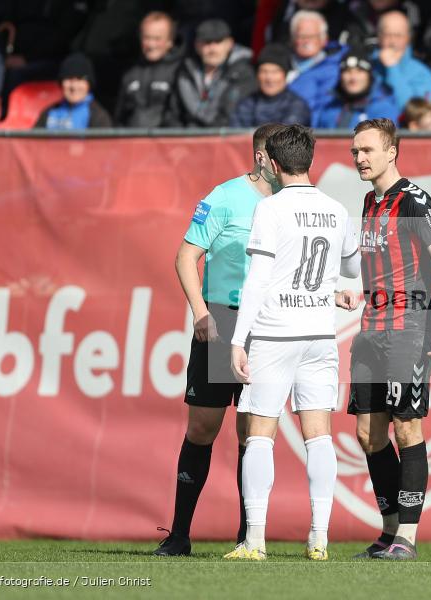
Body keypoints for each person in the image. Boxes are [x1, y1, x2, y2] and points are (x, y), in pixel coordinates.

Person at [225, 125, 361, 561]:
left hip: (274, 333)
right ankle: (319, 538)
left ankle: (255, 540)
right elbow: (353, 269)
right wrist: (330, 289)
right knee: (319, 436)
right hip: (320, 335)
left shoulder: (271, 208)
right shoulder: (336, 209)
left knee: (260, 435)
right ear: (311, 161)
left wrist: (238, 339)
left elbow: (260, 279)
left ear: (275, 164)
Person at [154, 123, 288, 557]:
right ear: (261, 156)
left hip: (268, 325)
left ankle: (250, 537)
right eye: (277, 155)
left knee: (254, 433)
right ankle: (179, 535)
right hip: (223, 320)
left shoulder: (296, 202)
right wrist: (201, 312)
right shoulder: (225, 197)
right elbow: (186, 256)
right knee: (203, 428)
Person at [348, 118, 431, 560]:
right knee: (368, 434)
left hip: (409, 328)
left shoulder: (414, 200)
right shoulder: (368, 203)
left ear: (392, 152)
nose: (359, 158)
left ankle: (407, 538)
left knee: (406, 425)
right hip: (370, 329)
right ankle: (388, 531)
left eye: (368, 150)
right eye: (355, 151)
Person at [164, 19, 256, 128]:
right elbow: (173, 113)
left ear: (230, 44)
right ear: (197, 45)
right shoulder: (184, 70)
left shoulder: (243, 73)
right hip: (187, 139)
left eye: (218, 42)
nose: (212, 49)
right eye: (206, 42)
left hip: (226, 139)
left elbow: (231, 116)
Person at [114, 11, 183, 128]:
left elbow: (180, 116)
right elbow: (120, 115)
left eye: (157, 39)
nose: (151, 45)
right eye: (147, 38)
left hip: (165, 142)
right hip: (132, 141)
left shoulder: (180, 71)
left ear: (170, 41)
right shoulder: (131, 72)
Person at [370, 10, 431, 114]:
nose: (392, 42)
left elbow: (412, 113)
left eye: (398, 36)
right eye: (387, 35)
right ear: (379, 37)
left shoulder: (423, 74)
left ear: (408, 38)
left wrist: (392, 68)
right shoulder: (367, 66)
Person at [312, 49, 399, 128]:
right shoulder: (329, 108)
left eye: (359, 71)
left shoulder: (383, 110)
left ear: (369, 76)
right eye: (348, 71)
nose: (353, 78)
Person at [232, 44, 312, 127]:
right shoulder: (247, 104)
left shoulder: (297, 106)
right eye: (264, 71)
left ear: (285, 75)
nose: (269, 78)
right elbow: (236, 134)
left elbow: (286, 136)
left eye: (275, 72)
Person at [286, 10, 348, 116]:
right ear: (293, 39)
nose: (306, 41)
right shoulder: (283, 63)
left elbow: (322, 110)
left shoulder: (334, 69)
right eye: (301, 36)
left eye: (311, 36)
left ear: (324, 39)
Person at [34, 53, 113, 129]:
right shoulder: (49, 112)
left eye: (79, 80)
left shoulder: (98, 116)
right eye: (69, 80)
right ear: (61, 84)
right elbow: (32, 141)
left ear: (89, 85)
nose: (74, 87)